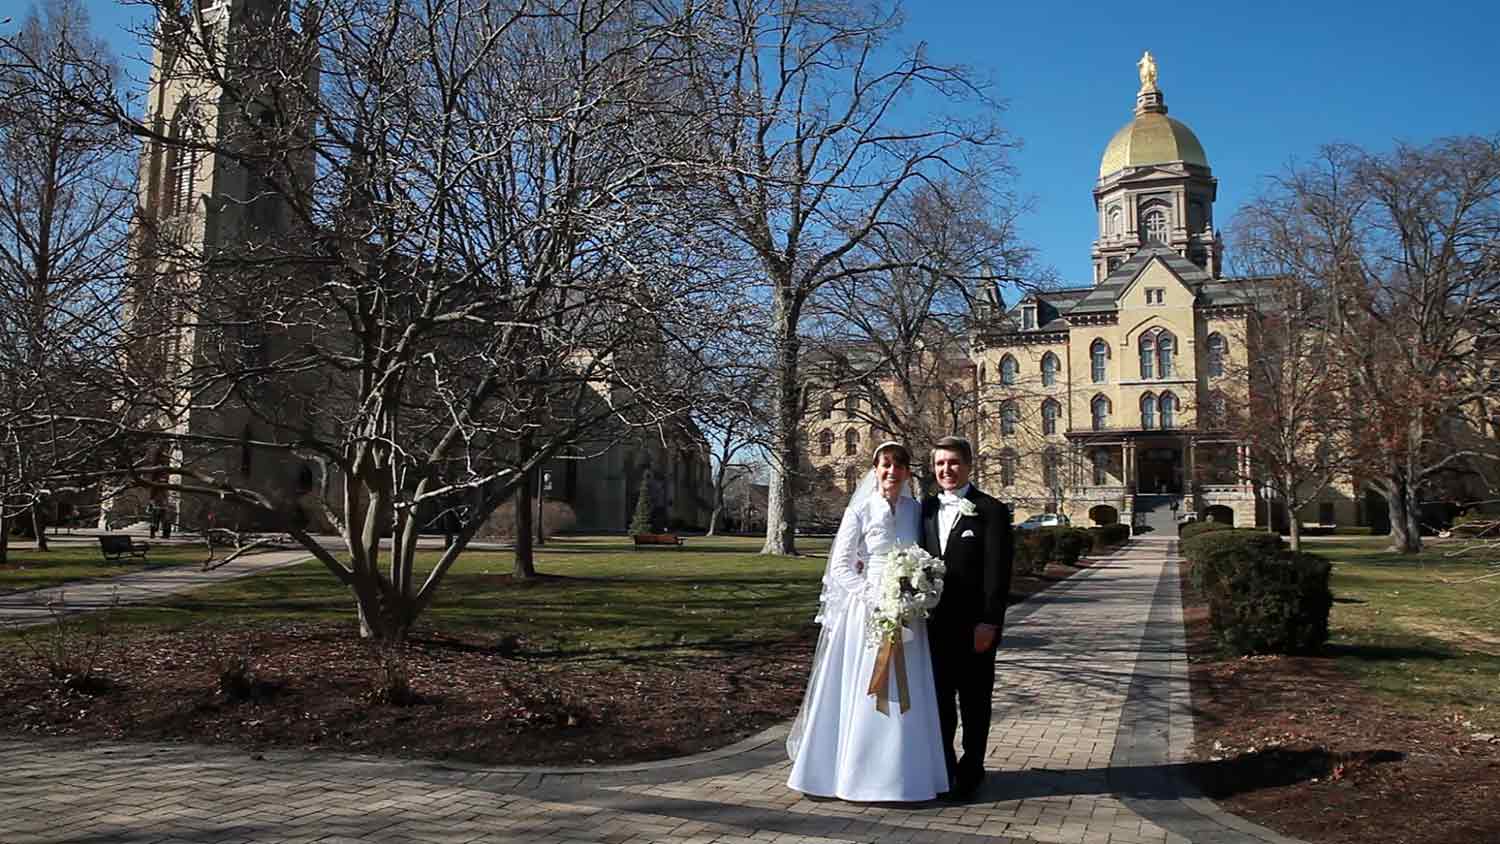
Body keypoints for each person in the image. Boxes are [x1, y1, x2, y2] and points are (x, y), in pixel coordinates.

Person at [786, 441, 948, 802]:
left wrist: (917, 589)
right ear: (875, 469)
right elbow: (841, 567)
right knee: (865, 689)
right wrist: (876, 597)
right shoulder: (860, 510)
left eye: (899, 466)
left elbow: (923, 558)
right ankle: (853, 775)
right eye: (885, 465)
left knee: (909, 692)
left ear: (908, 471)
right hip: (868, 612)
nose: (892, 472)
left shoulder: (916, 510)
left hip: (909, 613)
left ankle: (907, 774)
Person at [921, 436, 1013, 800]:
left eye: (954, 462)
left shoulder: (990, 510)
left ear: (969, 465)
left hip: (976, 627)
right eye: (940, 463)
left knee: (975, 702)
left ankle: (973, 767)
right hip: (932, 627)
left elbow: (998, 572)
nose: (947, 469)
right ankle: (945, 768)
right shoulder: (925, 510)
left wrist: (990, 621)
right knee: (940, 703)